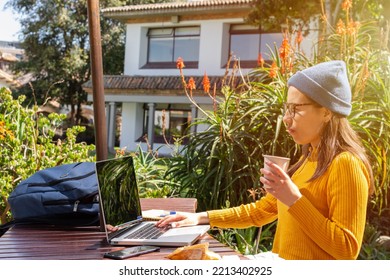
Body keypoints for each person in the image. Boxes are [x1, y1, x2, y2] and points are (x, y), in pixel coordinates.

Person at [157, 60, 374, 260]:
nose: (286, 119)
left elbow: (347, 250)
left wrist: (294, 200)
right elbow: (262, 211)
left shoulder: (346, 164)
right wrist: (200, 217)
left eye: (296, 109)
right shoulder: (308, 160)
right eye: (287, 109)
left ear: (326, 112)